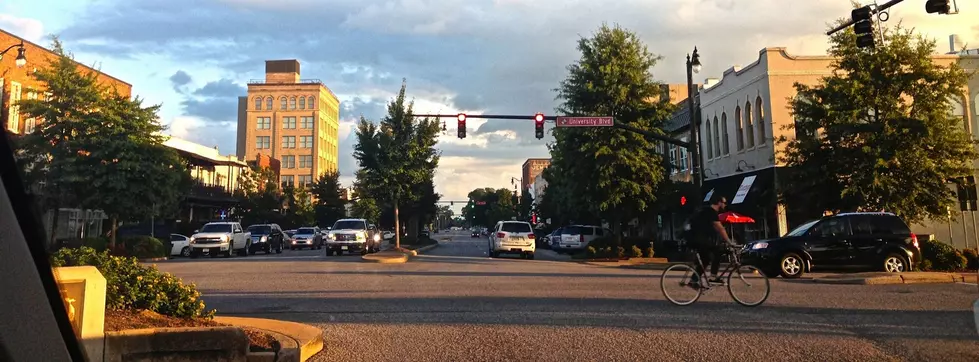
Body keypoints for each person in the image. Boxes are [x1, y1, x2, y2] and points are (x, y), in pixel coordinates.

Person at [688, 194, 737, 285]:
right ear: (719, 203)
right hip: (700, 240)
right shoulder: (711, 212)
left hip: (697, 239)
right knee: (710, 256)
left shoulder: (705, 210)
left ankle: (700, 278)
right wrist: (729, 242)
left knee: (711, 256)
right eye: (724, 203)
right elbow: (720, 228)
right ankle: (709, 278)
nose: (725, 205)